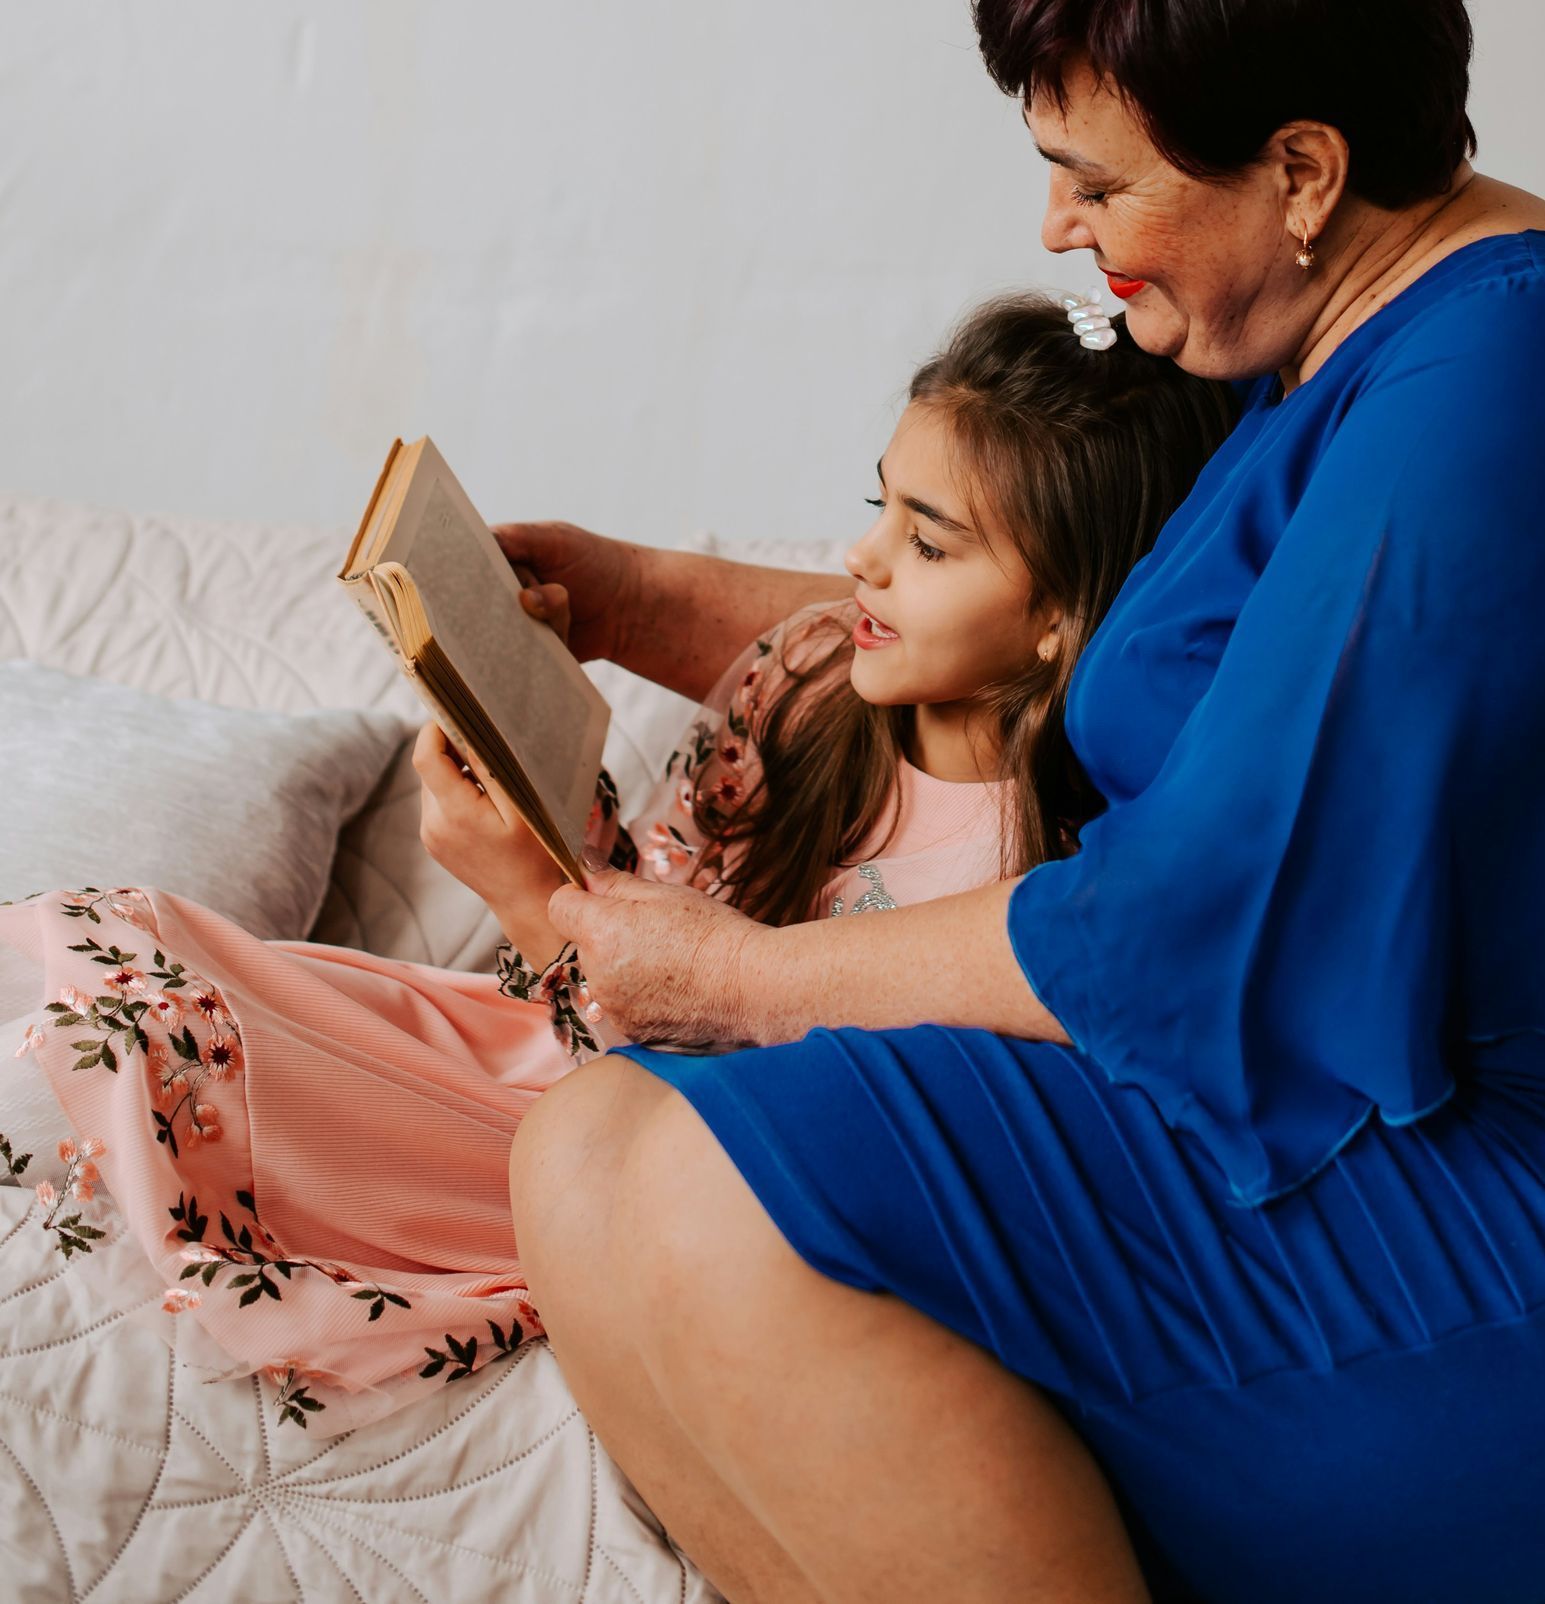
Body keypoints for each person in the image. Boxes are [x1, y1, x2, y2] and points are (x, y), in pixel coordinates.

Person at [471, 0, 1545, 1604]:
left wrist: (730, 975)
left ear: (1300, 168)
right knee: (581, 1159)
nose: (1059, 227)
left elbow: (1197, 912)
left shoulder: (1479, 391)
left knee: (695, 1175)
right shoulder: (1326, 336)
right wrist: (631, 596)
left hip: (1450, 1198)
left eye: (1101, 177)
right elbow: (1041, 618)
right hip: (1297, 1105)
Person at [0, 294, 1228, 1435]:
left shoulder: (1051, 879)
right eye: (878, 510)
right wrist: (536, 814)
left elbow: (764, 1125)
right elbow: (652, 901)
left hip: (660, 1148)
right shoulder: (804, 683)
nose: (863, 563)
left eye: (931, 543)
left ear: (1065, 612)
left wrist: (531, 904)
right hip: (544, 1044)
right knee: (125, 945)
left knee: (170, 1051)